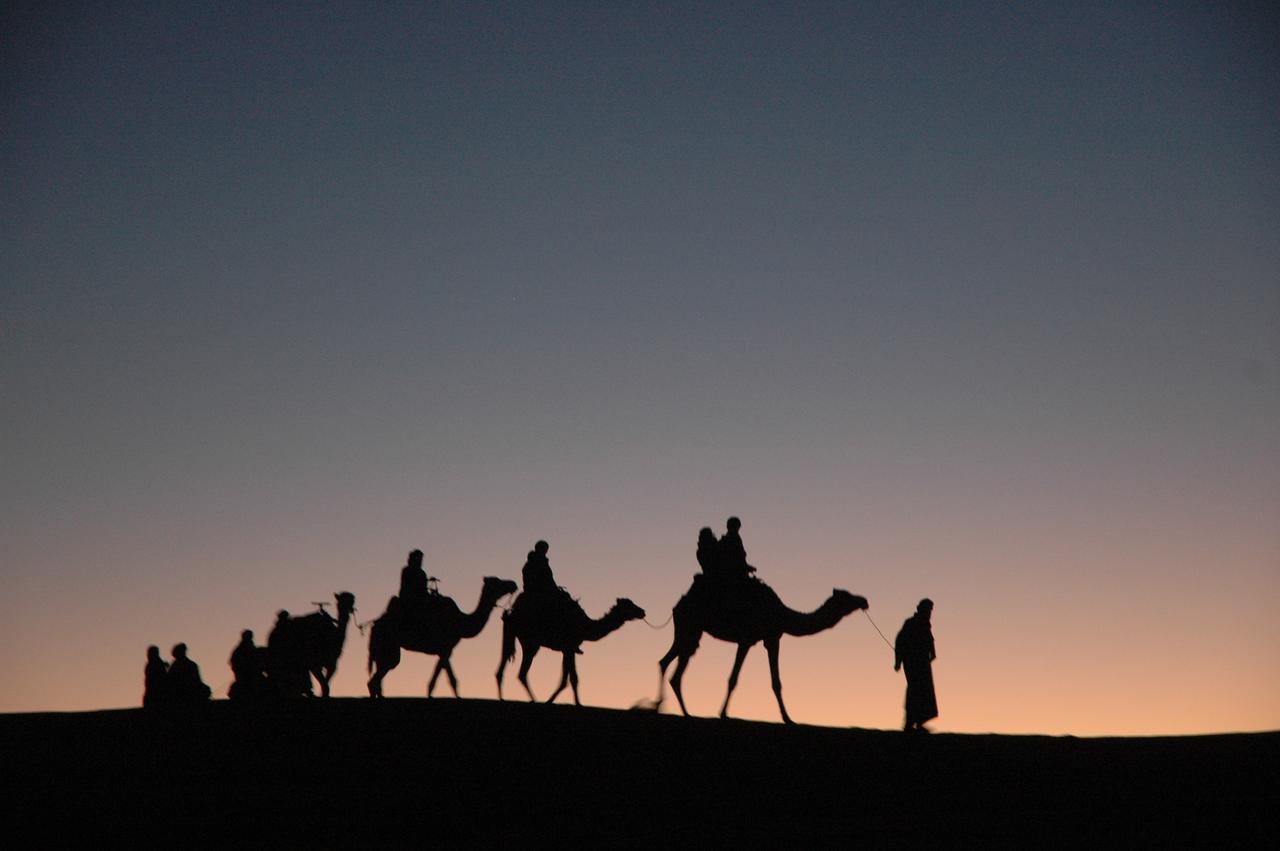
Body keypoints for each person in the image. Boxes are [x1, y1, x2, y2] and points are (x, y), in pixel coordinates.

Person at [894, 599, 938, 732]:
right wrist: (898, 661)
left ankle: (919, 722)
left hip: (923, 663)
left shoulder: (925, 624)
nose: (929, 613)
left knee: (924, 692)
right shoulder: (911, 624)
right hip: (913, 663)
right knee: (915, 691)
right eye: (927, 610)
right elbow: (900, 641)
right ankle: (909, 723)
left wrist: (933, 653)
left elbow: (930, 641)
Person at [228, 629, 267, 700]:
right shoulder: (241, 650)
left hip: (251, 673)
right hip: (247, 676)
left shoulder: (249, 648)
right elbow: (235, 663)